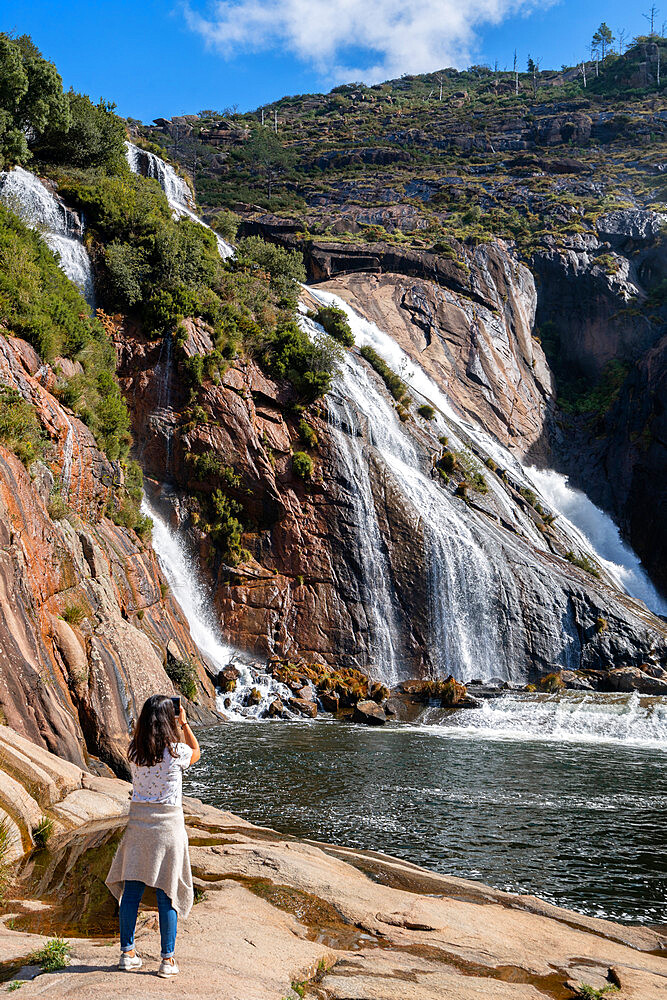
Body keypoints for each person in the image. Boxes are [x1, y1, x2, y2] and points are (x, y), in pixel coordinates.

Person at [106, 695, 200, 978]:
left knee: (132, 892)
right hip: (168, 828)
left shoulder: (134, 751)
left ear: (146, 719)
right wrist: (183, 723)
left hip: (138, 826)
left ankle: (127, 954)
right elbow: (197, 751)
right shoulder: (177, 751)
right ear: (168, 719)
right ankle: (167, 961)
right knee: (166, 893)